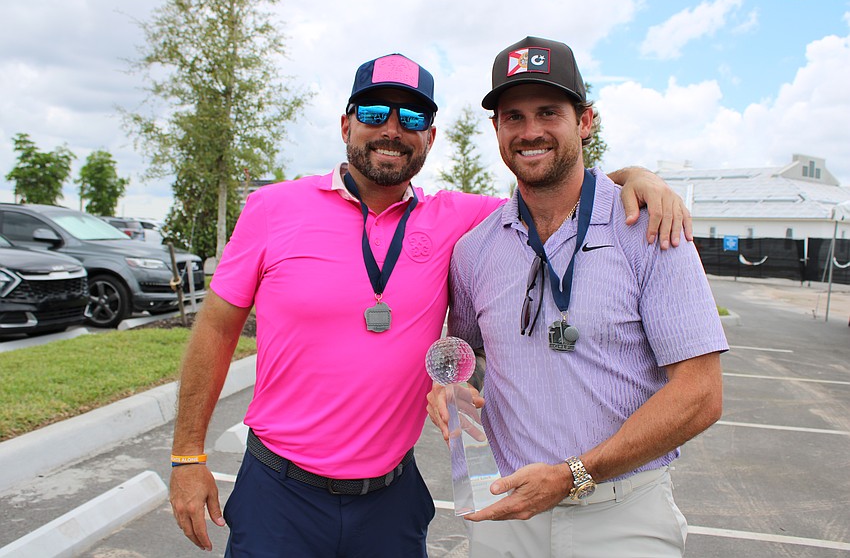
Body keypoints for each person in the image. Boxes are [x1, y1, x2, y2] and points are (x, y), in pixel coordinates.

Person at [169, 51, 692, 557]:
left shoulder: (461, 220)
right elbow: (215, 331)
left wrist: (638, 178)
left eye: (412, 116)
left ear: (431, 136)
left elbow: (554, 181)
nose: (392, 129)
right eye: (374, 113)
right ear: (346, 125)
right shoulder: (272, 209)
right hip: (279, 492)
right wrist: (188, 455)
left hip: (391, 499)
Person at [427, 37, 728, 558]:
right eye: (513, 116)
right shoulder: (475, 251)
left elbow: (701, 394)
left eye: (549, 112)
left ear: (585, 121)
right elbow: (466, 354)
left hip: (622, 514)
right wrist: (447, 385)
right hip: (506, 511)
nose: (530, 131)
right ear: (496, 129)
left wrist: (574, 476)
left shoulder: (650, 228)